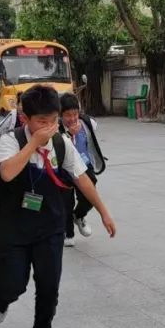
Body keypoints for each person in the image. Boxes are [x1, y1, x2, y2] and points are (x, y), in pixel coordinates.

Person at [0, 85, 117, 328]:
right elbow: (7, 174)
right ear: (26, 120)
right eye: (41, 122)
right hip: (14, 229)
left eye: (53, 121)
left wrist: (104, 212)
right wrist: (33, 144)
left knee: (48, 286)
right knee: (13, 285)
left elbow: (82, 178)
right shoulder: (12, 142)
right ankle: (2, 299)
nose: (49, 127)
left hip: (50, 227)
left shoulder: (61, 143)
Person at [60, 93, 107, 247]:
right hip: (64, 170)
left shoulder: (86, 123)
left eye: (75, 114)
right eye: (67, 115)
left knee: (90, 194)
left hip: (84, 165)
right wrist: (68, 134)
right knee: (66, 201)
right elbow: (56, 144)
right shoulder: (55, 127)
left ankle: (78, 215)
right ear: (60, 115)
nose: (72, 118)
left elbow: (92, 137)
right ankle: (68, 233)